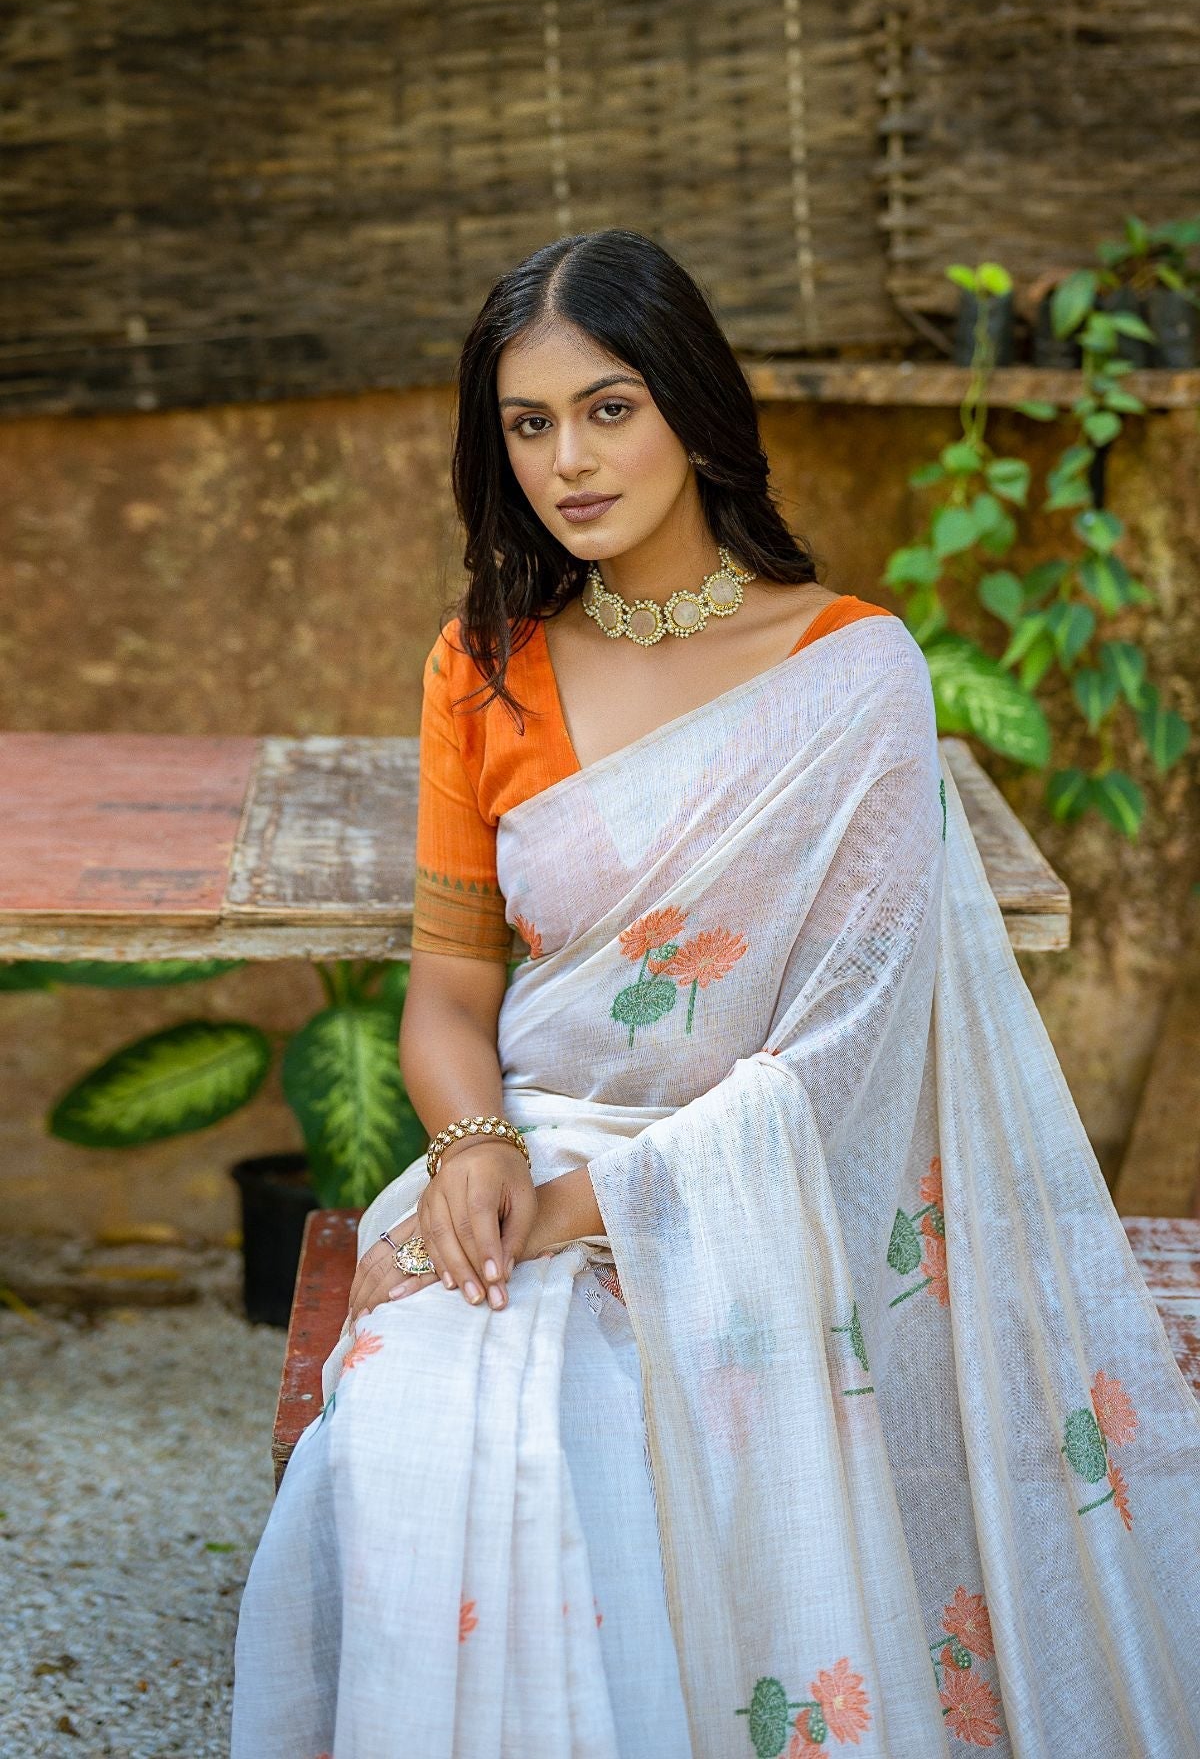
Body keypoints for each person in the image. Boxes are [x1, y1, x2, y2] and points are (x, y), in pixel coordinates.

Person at [231, 230, 1200, 1759]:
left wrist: (589, 1210)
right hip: (530, 1142)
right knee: (416, 1418)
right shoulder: (482, 667)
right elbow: (449, 991)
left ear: (689, 404)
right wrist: (481, 1148)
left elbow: (851, 1050)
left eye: (608, 408)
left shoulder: (850, 669)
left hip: (767, 1192)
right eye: (527, 425)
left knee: (625, 1455)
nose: (569, 460)